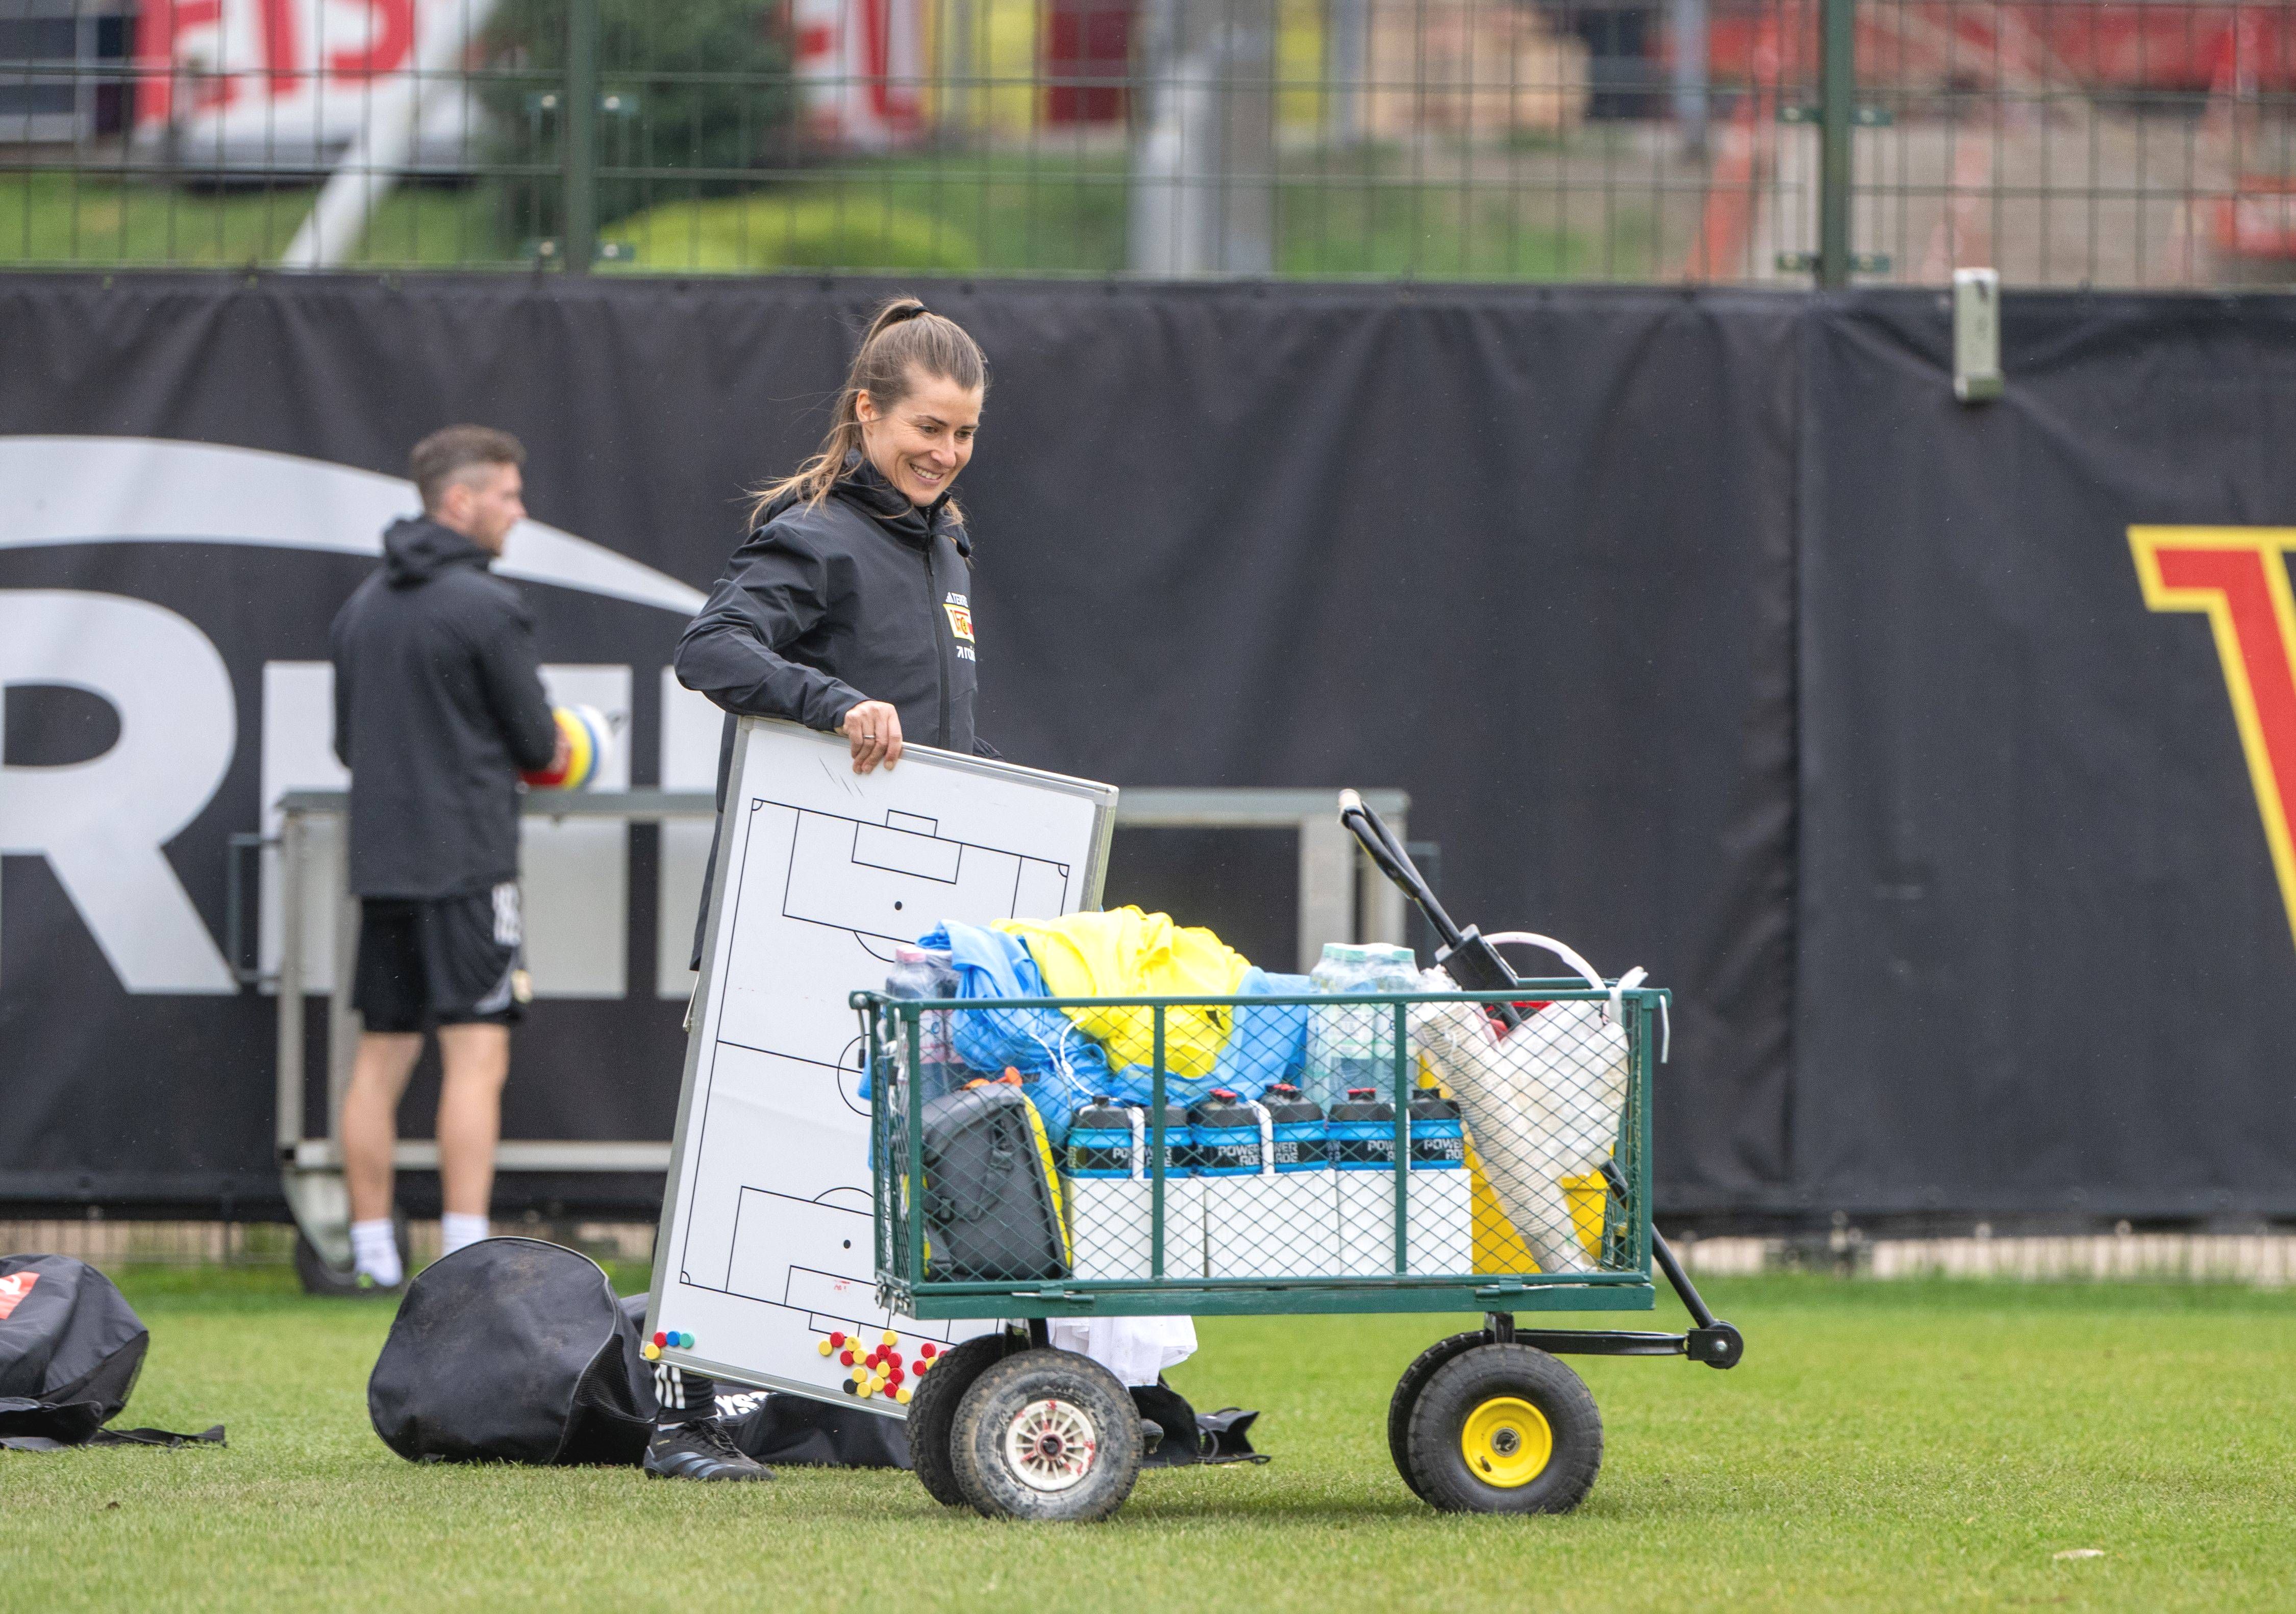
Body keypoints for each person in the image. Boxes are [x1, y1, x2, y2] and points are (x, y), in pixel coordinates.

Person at [660, 297, 994, 1481]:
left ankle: (845, 1410)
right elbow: (711, 651)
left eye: (963, 434)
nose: (945, 453)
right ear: (867, 412)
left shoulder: (944, 541)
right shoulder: (812, 535)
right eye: (926, 427)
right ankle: (684, 1420)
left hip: (911, 923)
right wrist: (828, 702)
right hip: (789, 911)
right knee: (746, 1152)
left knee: (876, 1167)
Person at [329, 426, 564, 1294]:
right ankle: (464, 1251)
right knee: (475, 1058)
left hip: (384, 868)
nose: (520, 509)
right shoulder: (486, 606)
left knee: (379, 1061)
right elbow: (539, 742)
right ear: (459, 501)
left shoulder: (360, 607)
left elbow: (347, 744)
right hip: (469, 866)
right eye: (507, 494)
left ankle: (369, 1254)